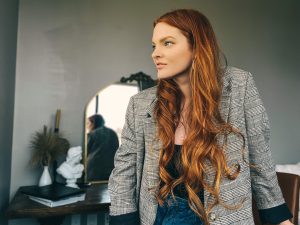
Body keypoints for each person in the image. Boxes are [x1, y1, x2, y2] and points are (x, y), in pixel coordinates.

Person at [108, 9, 293, 225]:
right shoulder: (139, 104)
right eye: (154, 45)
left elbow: (259, 160)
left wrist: (280, 219)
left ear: (196, 47)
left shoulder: (239, 86)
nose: (155, 53)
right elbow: (124, 172)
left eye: (167, 43)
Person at [87, 114, 119, 181]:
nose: (87, 126)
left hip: (94, 169)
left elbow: (86, 151)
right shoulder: (112, 132)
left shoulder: (92, 134)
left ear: (93, 123)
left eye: (88, 123)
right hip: (111, 168)